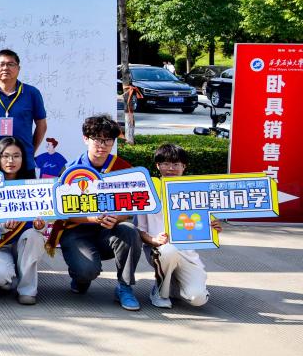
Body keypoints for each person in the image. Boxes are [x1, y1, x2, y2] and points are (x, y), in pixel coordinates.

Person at [50, 114, 142, 311]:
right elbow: (62, 211)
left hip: (109, 231)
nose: (102, 145)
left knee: (130, 230)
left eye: (108, 140)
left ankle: (125, 287)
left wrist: (118, 217)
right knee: (86, 271)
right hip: (77, 231)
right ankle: (80, 277)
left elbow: (133, 206)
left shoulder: (123, 168)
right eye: (97, 139)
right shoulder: (71, 169)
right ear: (86, 139)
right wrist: (92, 218)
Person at [137, 143, 218, 308]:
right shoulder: (148, 191)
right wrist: (154, 240)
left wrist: (212, 227)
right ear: (158, 166)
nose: (171, 168)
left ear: (184, 166)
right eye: (165, 163)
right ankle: (160, 291)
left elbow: (200, 225)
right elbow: (140, 230)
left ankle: (174, 286)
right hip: (160, 250)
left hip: (187, 253)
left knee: (198, 298)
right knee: (169, 250)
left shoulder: (195, 192)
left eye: (176, 164)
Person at [0, 137, 47, 305]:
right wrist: (3, 227)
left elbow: (42, 220)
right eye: (6, 156)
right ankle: (11, 279)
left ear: (23, 159)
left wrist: (40, 225)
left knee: (34, 235)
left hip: (23, 244)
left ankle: (27, 290)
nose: (11, 161)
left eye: (16, 156)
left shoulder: (33, 186)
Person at [0, 49, 47, 172]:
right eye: (1, 64)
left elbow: (41, 125)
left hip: (24, 162)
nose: (5, 68)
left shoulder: (32, 93)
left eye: (10, 64)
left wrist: (29, 151)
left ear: (18, 68)